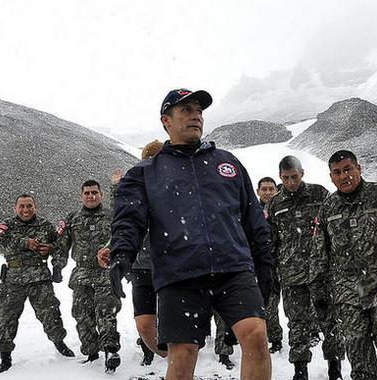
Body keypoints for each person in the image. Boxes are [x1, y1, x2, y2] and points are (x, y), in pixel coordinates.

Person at [99, 88, 274, 380]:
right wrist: (121, 254)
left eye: (199, 111)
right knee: (181, 358)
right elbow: (128, 220)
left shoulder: (227, 164)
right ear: (166, 120)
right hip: (179, 274)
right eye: (186, 110)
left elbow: (253, 218)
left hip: (232, 268)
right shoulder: (144, 173)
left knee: (256, 336)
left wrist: (265, 263)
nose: (196, 116)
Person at [313, 150, 377, 380]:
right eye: (338, 172)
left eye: (348, 169)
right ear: (331, 177)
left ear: (359, 169)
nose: (344, 176)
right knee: (357, 349)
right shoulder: (328, 209)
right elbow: (320, 251)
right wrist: (319, 290)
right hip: (348, 292)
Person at [265, 156, 344, 380]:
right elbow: (271, 241)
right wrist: (272, 272)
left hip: (322, 274)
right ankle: (300, 371)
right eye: (286, 178)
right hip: (292, 276)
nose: (291, 182)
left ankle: (334, 368)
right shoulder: (275, 204)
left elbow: (334, 231)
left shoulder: (320, 195)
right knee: (297, 324)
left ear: (302, 173)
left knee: (330, 322)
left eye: (294, 177)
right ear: (281, 177)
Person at [0, 193, 74, 374]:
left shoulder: (45, 226)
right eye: (22, 206)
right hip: (12, 281)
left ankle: (59, 343)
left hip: (40, 279)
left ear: (35, 207)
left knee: (51, 314)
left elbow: (60, 245)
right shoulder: (8, 226)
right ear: (15, 208)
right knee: (6, 318)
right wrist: (23, 243)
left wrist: (54, 255)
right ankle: (5, 357)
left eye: (29, 206)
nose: (26, 210)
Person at [54, 180, 123, 372]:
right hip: (82, 274)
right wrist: (58, 266)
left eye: (94, 192)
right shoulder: (73, 219)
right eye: (87, 193)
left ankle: (110, 350)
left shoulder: (112, 216)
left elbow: (123, 239)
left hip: (105, 272)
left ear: (100, 195)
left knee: (106, 312)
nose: (91, 196)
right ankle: (91, 353)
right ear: (81, 196)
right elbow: (62, 245)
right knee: (82, 315)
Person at [126, 139, 168, 366]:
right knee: (144, 324)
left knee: (175, 319)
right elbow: (124, 224)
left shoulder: (177, 186)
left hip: (172, 266)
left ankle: (178, 361)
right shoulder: (135, 189)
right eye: (150, 159)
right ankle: (156, 351)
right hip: (141, 266)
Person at [255, 177, 284, 354]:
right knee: (262, 303)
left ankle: (275, 337)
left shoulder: (283, 210)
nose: (267, 192)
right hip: (259, 265)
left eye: (271, 189)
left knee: (276, 303)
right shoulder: (251, 211)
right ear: (258, 191)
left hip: (281, 264)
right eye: (264, 189)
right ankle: (262, 337)